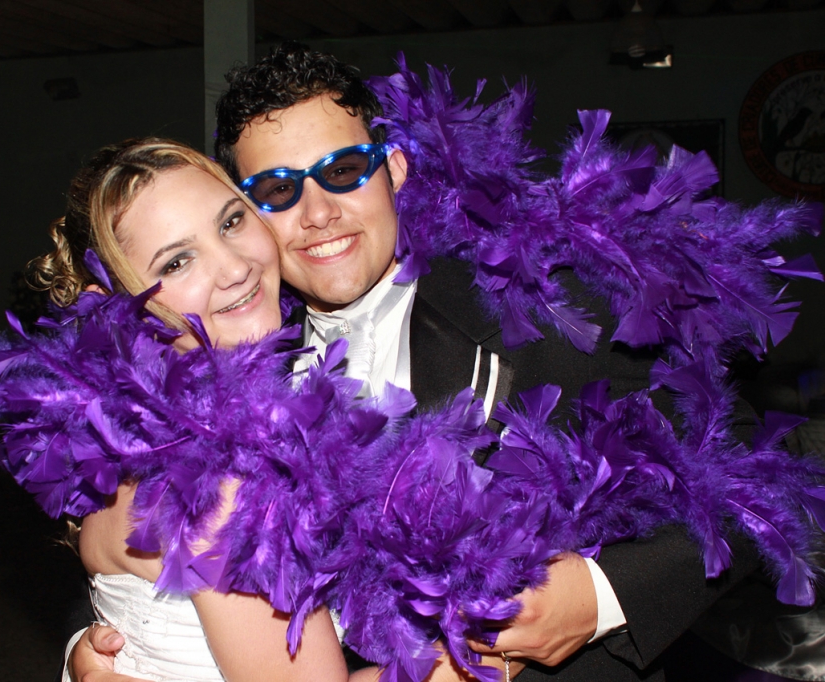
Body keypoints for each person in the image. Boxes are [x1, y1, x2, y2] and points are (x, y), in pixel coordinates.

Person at [71, 43, 775, 682]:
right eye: (279, 190)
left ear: (395, 170)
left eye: (343, 171)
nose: (317, 213)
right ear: (249, 212)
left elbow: (753, 473)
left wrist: (601, 596)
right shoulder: (233, 363)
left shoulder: (553, 312)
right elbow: (173, 567)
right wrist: (107, 648)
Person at [0, 138, 481, 682]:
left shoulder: (133, 441)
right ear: (114, 306)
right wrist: (489, 659)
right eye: (177, 261)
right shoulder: (216, 481)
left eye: (230, 222)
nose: (234, 267)